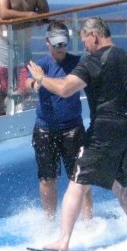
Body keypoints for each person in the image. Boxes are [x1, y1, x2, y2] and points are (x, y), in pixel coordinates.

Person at [27, 17, 127, 251]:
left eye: (85, 40)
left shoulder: (93, 61)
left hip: (105, 130)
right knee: (120, 185)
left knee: (77, 182)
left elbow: (65, 89)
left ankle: (63, 241)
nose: (84, 47)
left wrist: (41, 79)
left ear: (94, 35)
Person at [26, 21, 93, 220]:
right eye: (56, 44)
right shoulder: (42, 65)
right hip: (45, 129)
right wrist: (34, 83)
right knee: (47, 179)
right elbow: (27, 80)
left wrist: (43, 80)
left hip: (73, 127)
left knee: (80, 177)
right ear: (47, 42)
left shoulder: (78, 63)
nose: (60, 48)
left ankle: (88, 220)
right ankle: (49, 220)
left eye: (63, 44)